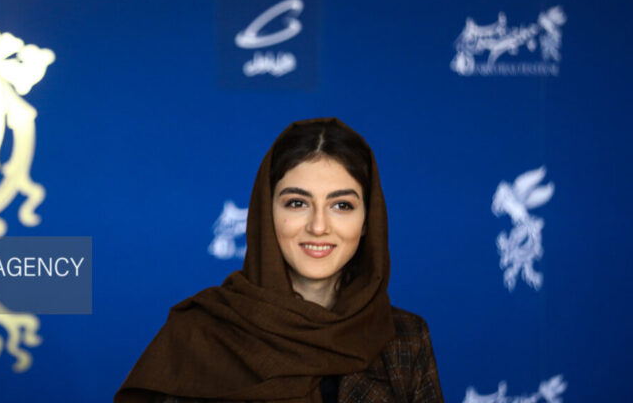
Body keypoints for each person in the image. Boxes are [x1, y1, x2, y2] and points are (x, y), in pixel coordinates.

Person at [115, 118, 443, 403]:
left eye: (341, 205)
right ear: (266, 212)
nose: (318, 226)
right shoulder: (198, 335)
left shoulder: (404, 339)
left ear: (367, 221)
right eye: (297, 203)